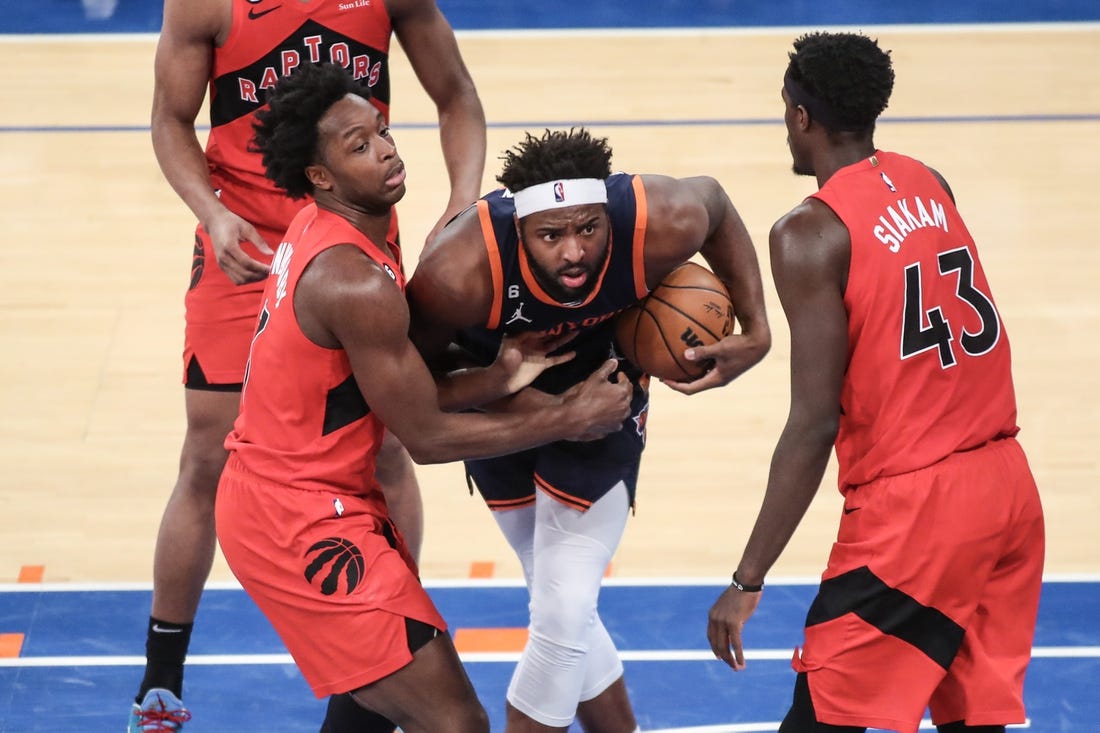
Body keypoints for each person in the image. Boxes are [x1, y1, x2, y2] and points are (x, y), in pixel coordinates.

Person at [210, 61, 631, 733]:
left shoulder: (332, 234)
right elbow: (428, 436)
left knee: (369, 709)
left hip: (311, 495)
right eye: (359, 145)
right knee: (455, 720)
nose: (386, 149)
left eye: (380, 131)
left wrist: (495, 377)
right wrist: (566, 415)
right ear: (319, 176)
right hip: (296, 519)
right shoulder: (353, 279)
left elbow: (387, 387)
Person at [131, 0, 486, 728]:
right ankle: (159, 685)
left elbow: (456, 95)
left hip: (351, 233)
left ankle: (381, 647)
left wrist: (460, 203)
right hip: (245, 244)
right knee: (209, 454)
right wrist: (212, 212)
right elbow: (171, 120)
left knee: (384, 441)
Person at [704, 31, 1045, 733]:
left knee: (823, 716)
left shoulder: (809, 234)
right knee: (970, 721)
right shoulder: (930, 180)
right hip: (1008, 487)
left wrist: (747, 578)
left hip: (919, 514)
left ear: (802, 116)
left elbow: (814, 422)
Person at [407, 127, 772, 732]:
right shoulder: (456, 271)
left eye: (588, 229)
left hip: (605, 395)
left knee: (565, 607)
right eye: (551, 235)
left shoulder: (660, 218)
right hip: (493, 394)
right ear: (519, 230)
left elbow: (716, 203)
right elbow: (415, 388)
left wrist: (756, 330)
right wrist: (527, 404)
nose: (573, 252)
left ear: (609, 214)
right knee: (559, 601)